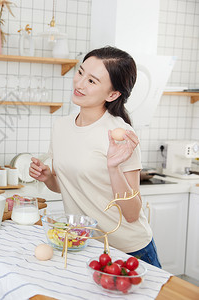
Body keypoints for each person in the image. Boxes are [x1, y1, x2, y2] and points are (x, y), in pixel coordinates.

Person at [29, 46, 161, 268]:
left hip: (128, 251)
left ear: (113, 94)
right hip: (86, 245)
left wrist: (114, 168)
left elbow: (131, 213)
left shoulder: (119, 135)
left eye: (92, 81)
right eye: (80, 73)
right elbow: (67, 187)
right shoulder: (61, 126)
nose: (79, 84)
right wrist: (48, 177)